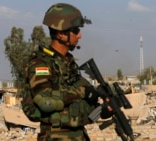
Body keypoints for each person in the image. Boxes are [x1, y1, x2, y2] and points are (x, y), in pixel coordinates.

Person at [21, 3, 101, 141]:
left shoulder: (68, 63)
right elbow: (45, 101)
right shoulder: (40, 63)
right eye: (75, 31)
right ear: (61, 35)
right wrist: (83, 92)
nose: (79, 35)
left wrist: (101, 109)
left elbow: (81, 103)